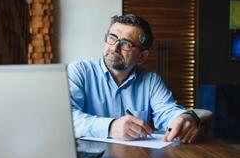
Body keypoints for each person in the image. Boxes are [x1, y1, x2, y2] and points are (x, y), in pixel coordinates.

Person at [67, 14, 200, 143]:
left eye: (126, 44)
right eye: (112, 37)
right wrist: (110, 127)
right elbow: (66, 118)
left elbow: (168, 111)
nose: (115, 47)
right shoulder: (79, 71)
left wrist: (185, 117)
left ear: (142, 56)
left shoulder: (151, 81)